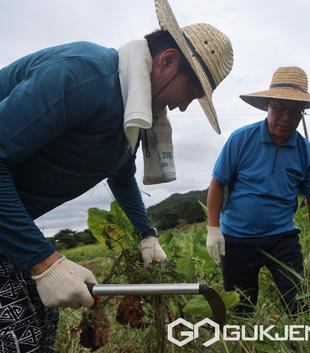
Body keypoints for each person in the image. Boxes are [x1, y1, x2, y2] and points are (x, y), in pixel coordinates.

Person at [0, 0, 233, 350]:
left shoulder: (132, 118)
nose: (185, 106)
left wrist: (146, 234)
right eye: (192, 92)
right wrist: (43, 262)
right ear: (168, 61)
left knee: (43, 318)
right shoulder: (84, 75)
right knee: (18, 336)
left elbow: (121, 175)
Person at [206, 66, 310, 316]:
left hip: (282, 238)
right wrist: (213, 227)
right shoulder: (241, 139)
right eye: (279, 107)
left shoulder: (306, 151)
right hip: (237, 238)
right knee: (241, 309)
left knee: (301, 305)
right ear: (267, 105)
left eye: (294, 111)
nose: (286, 117)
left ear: (302, 114)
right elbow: (218, 183)